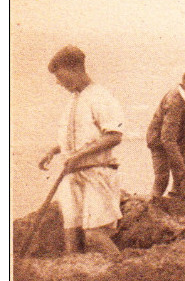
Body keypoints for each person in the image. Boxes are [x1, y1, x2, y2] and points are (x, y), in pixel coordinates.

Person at [37, 45, 124, 260]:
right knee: (71, 235)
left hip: (97, 173)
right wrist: (54, 151)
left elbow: (114, 136)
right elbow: (79, 136)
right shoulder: (75, 99)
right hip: (72, 174)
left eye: (61, 77)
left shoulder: (101, 97)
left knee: (94, 234)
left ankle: (123, 270)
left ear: (75, 69)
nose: (59, 83)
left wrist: (78, 156)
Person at [147, 69, 185, 199]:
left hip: (179, 138)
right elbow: (167, 139)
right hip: (159, 141)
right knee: (162, 178)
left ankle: (174, 203)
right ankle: (151, 206)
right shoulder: (174, 102)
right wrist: (181, 166)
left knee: (180, 177)